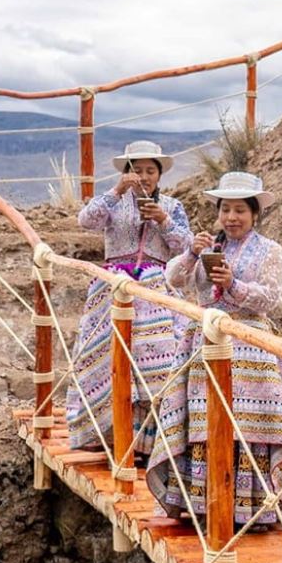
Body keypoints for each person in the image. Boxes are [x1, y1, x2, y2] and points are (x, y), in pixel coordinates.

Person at [145, 171, 282, 528]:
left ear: (254, 214)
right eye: (226, 210)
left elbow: (270, 298)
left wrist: (234, 285)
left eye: (239, 211)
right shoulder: (208, 247)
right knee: (205, 421)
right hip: (204, 343)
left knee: (248, 427)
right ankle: (204, 503)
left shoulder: (270, 251)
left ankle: (252, 508)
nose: (231, 218)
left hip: (251, 346)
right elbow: (174, 279)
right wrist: (190, 252)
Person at [65, 140, 190, 453]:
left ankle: (151, 443)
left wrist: (162, 219)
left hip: (157, 289)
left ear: (160, 175)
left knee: (158, 363)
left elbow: (185, 246)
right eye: (137, 170)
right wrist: (117, 191)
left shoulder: (173, 207)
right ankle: (108, 435)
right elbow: (86, 220)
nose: (144, 176)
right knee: (108, 359)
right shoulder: (113, 202)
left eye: (150, 171)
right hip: (113, 288)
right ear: (126, 173)